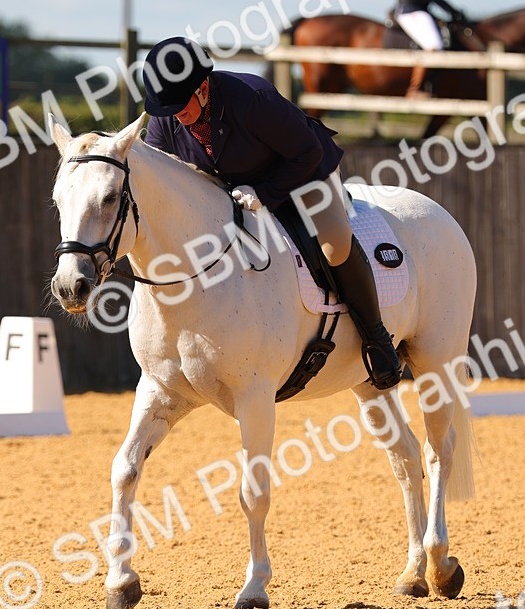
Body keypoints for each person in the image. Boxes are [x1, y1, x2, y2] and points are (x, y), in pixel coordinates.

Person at [142, 36, 403, 390]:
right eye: (166, 107)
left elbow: (306, 152)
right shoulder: (166, 119)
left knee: (334, 245)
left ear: (203, 86)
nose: (176, 114)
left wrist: (265, 193)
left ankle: (376, 336)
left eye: (180, 103)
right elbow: (167, 176)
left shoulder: (252, 100)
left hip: (303, 174)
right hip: (234, 189)